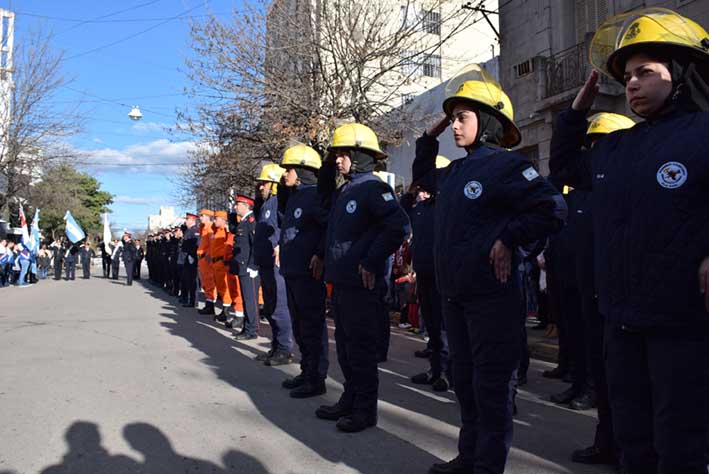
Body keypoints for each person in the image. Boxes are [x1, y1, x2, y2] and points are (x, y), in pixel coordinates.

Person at [550, 8, 709, 474]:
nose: (633, 84)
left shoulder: (703, 135)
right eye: (628, 76)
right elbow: (564, 169)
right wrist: (576, 112)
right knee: (631, 439)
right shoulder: (617, 147)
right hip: (619, 320)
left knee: (680, 442)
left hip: (681, 325)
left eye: (645, 73)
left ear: (679, 75)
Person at [412, 65, 566, 473]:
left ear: (490, 123)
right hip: (455, 296)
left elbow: (553, 208)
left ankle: (487, 466)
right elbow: (422, 175)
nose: (454, 127)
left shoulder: (508, 167)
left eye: (462, 118)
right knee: (464, 381)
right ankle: (469, 456)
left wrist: (509, 237)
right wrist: (431, 132)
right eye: (454, 118)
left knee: (492, 387)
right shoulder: (455, 172)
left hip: (492, 299)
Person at [316, 123, 410, 433]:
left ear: (358, 156)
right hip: (342, 282)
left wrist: (370, 261)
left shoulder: (373, 187)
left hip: (362, 286)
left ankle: (365, 410)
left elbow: (398, 226)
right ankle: (350, 397)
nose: (338, 160)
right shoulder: (346, 189)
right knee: (344, 346)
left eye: (342, 155)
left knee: (360, 350)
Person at [277, 144, 330, 398]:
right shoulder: (295, 196)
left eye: (289, 170)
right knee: (300, 326)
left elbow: (328, 227)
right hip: (292, 271)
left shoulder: (314, 195)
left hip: (309, 274)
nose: (285, 174)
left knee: (312, 326)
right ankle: (306, 370)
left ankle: (316, 378)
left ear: (302, 170)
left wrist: (320, 254)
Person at [405, 156, 452, 392]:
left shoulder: (446, 206)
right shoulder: (420, 209)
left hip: (443, 274)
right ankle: (434, 368)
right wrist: (413, 189)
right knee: (432, 326)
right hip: (423, 273)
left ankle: (446, 371)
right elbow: (402, 209)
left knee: (445, 326)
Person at [253, 163, 294, 366]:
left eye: (264, 183)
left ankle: (285, 349)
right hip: (265, 263)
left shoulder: (279, 202)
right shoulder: (265, 204)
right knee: (270, 307)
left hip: (276, 263)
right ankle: (276, 346)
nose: (260, 187)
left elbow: (287, 225)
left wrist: (280, 245)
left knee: (279, 307)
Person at [229, 195, 260, 340]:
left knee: (250, 300)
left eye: (238, 204)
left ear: (246, 205)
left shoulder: (251, 221)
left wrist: (253, 265)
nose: (235, 207)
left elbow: (255, 244)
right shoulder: (243, 222)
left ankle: (252, 330)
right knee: (246, 298)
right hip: (243, 266)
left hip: (249, 267)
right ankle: (247, 327)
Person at [211, 211, 234, 323]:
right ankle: (224, 311)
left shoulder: (226, 230)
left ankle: (226, 311)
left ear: (223, 220)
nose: (214, 220)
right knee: (221, 288)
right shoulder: (218, 230)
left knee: (226, 289)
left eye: (216, 218)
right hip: (216, 263)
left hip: (222, 263)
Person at [197, 210, 218, 315]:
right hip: (202, 259)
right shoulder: (204, 228)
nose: (200, 217)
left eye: (202, 216)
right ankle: (208, 303)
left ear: (207, 217)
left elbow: (212, 244)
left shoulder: (210, 228)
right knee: (205, 283)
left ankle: (210, 305)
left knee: (209, 282)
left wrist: (209, 256)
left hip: (206, 259)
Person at [180, 213, 199, 308]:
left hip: (192, 258)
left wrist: (192, 255)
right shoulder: (188, 230)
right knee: (188, 280)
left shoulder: (195, 231)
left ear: (192, 220)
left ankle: (194, 301)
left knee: (193, 280)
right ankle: (190, 300)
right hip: (187, 258)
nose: (185, 221)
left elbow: (195, 244)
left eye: (187, 219)